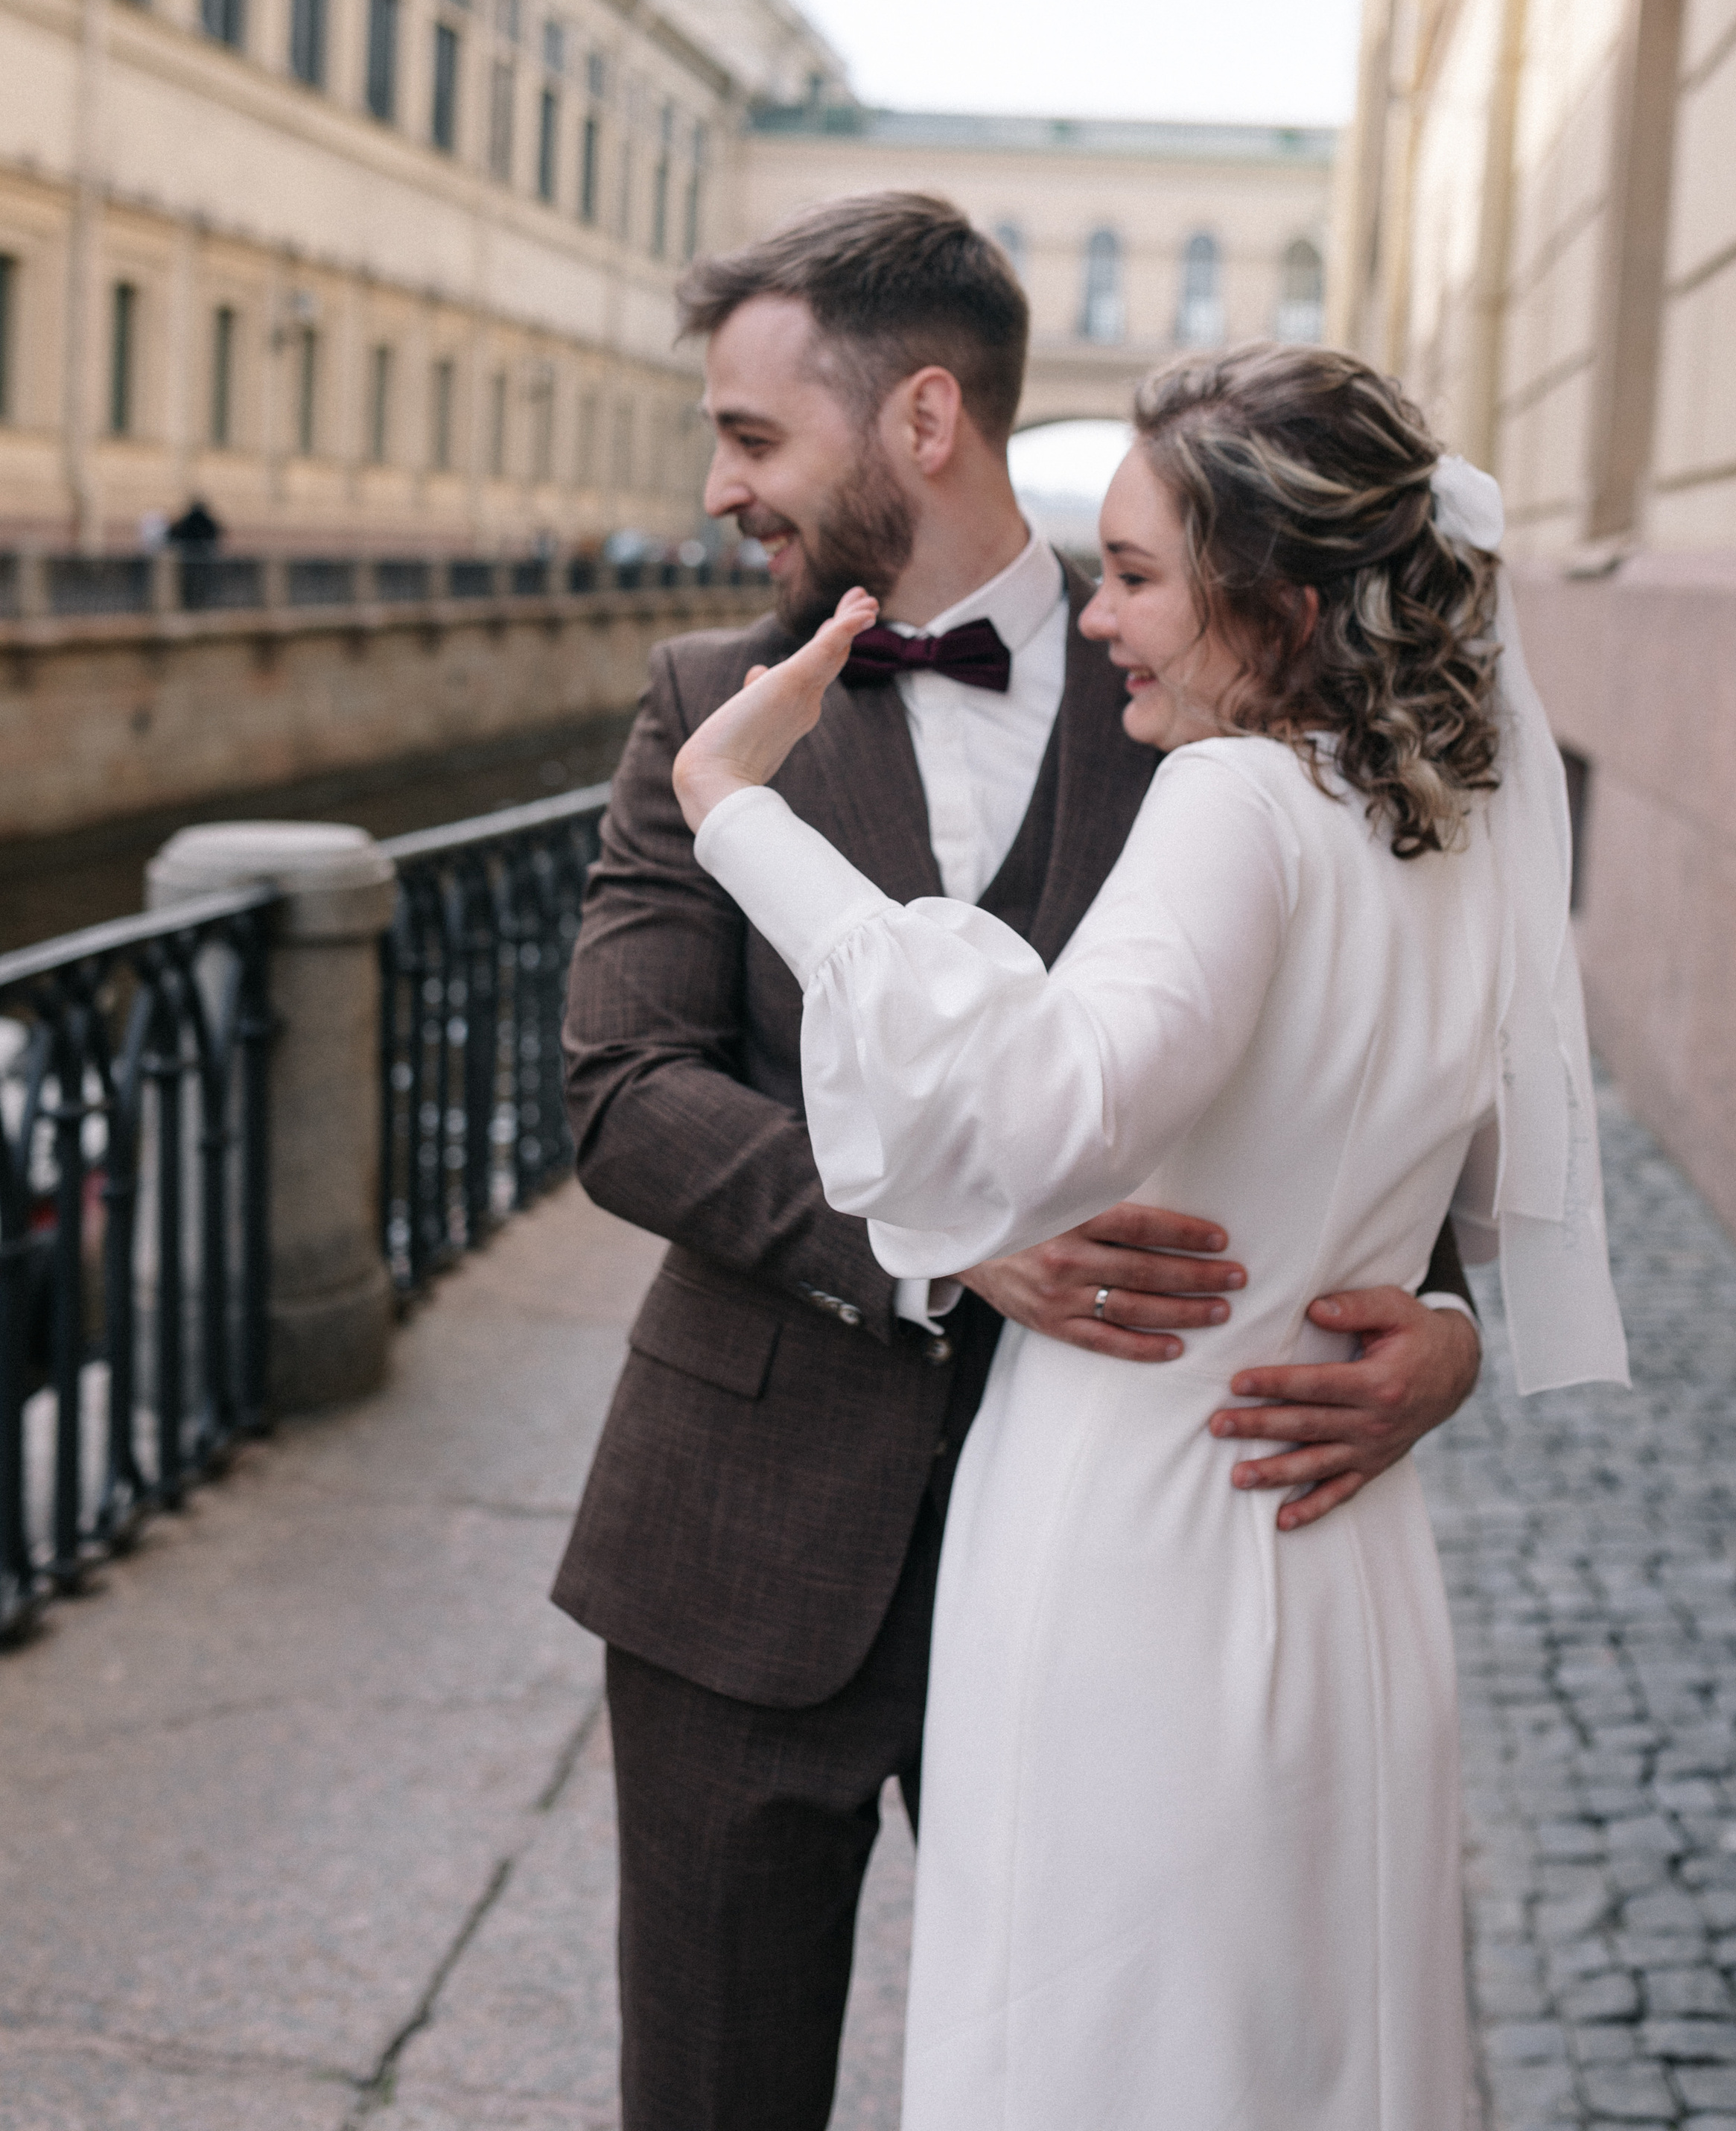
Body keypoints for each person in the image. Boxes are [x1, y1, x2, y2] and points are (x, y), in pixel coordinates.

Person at [555, 197, 1487, 2130]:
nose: (719, 487)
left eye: (750, 435)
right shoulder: (697, 706)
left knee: (1091, 2069)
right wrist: (937, 1252)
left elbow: (1372, 1083)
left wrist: (1452, 1329)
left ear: (918, 419)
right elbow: (625, 1093)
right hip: (749, 1549)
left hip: (1129, 1569)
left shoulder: (1217, 690)